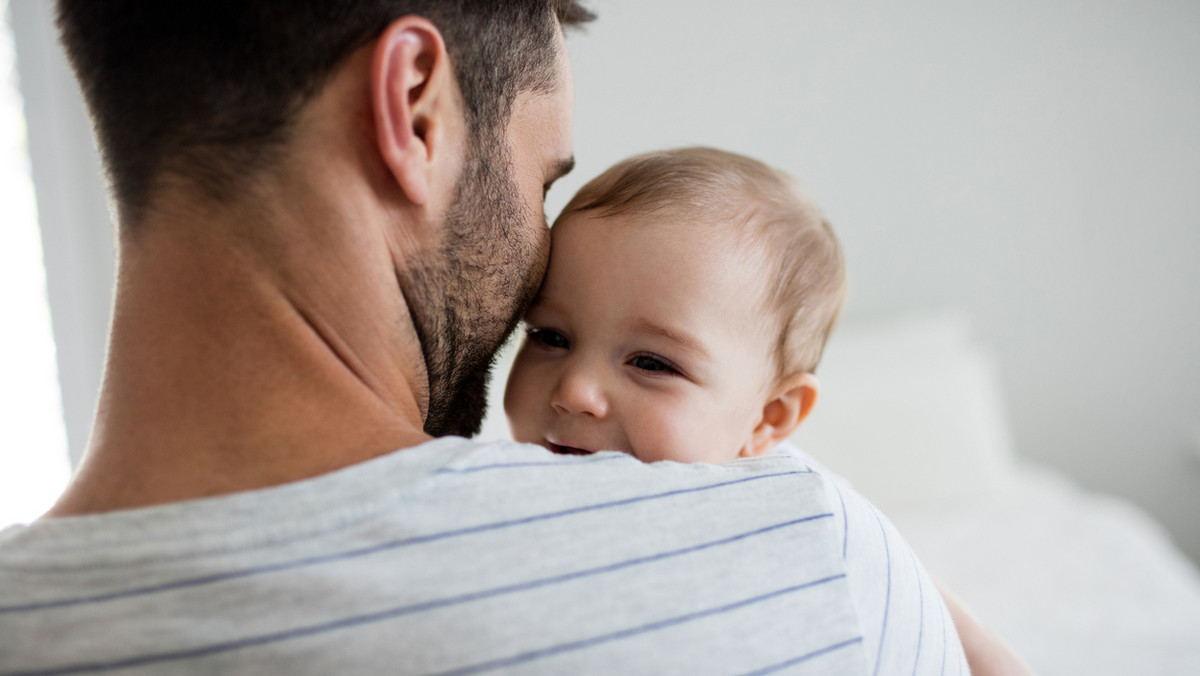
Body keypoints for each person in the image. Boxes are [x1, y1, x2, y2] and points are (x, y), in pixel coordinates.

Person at [0, 2, 1013, 674]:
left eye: (652, 359)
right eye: (541, 181)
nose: (575, 387)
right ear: (414, 110)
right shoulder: (804, 551)